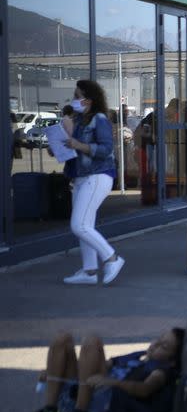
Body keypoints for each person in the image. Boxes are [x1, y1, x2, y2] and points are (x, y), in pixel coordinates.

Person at [21, 328, 184, 412]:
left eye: (164, 346)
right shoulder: (137, 356)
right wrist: (53, 371)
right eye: (159, 339)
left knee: (93, 341)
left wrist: (113, 382)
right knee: (62, 338)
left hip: (109, 402)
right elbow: (91, 365)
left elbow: (144, 389)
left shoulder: (160, 371)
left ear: (172, 360)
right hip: (88, 390)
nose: (155, 345)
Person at [62, 80, 125, 286]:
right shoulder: (78, 121)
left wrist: (77, 144)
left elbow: (106, 149)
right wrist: (63, 146)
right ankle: (89, 271)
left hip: (97, 175)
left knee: (79, 225)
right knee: (85, 225)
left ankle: (112, 258)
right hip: (81, 177)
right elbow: (76, 150)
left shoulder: (99, 119)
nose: (75, 99)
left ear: (89, 99)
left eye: (78, 95)